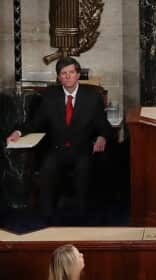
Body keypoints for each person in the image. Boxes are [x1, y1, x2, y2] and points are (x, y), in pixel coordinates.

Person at [7, 57, 112, 219]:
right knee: (47, 170)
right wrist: (18, 132)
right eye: (64, 73)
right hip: (57, 149)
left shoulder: (92, 97)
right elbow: (35, 123)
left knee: (84, 173)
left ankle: (82, 218)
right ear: (58, 77)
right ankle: (47, 220)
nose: (68, 76)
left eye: (71, 72)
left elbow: (104, 125)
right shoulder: (50, 96)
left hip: (82, 150)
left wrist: (102, 137)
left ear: (78, 75)